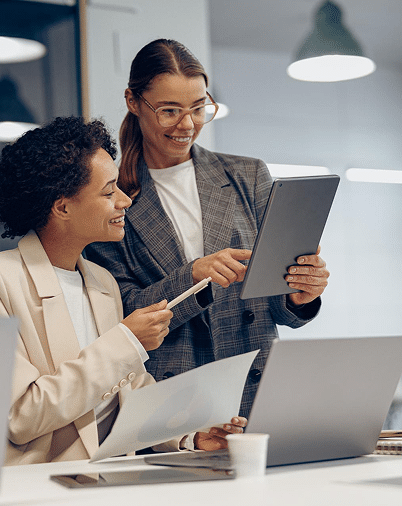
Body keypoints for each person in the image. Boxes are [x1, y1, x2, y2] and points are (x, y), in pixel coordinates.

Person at [0, 116, 245, 465]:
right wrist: (127, 341)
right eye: (109, 191)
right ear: (62, 207)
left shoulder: (102, 282)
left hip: (111, 477)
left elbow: (128, 394)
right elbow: (22, 417)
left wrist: (190, 434)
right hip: (41, 486)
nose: (125, 201)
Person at [85, 39, 330, 418]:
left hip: (256, 384)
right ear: (133, 102)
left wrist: (302, 292)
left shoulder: (248, 176)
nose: (187, 125)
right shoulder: (112, 196)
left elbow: (276, 306)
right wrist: (193, 276)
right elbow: (119, 312)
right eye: (169, 111)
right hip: (171, 397)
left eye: (199, 108)